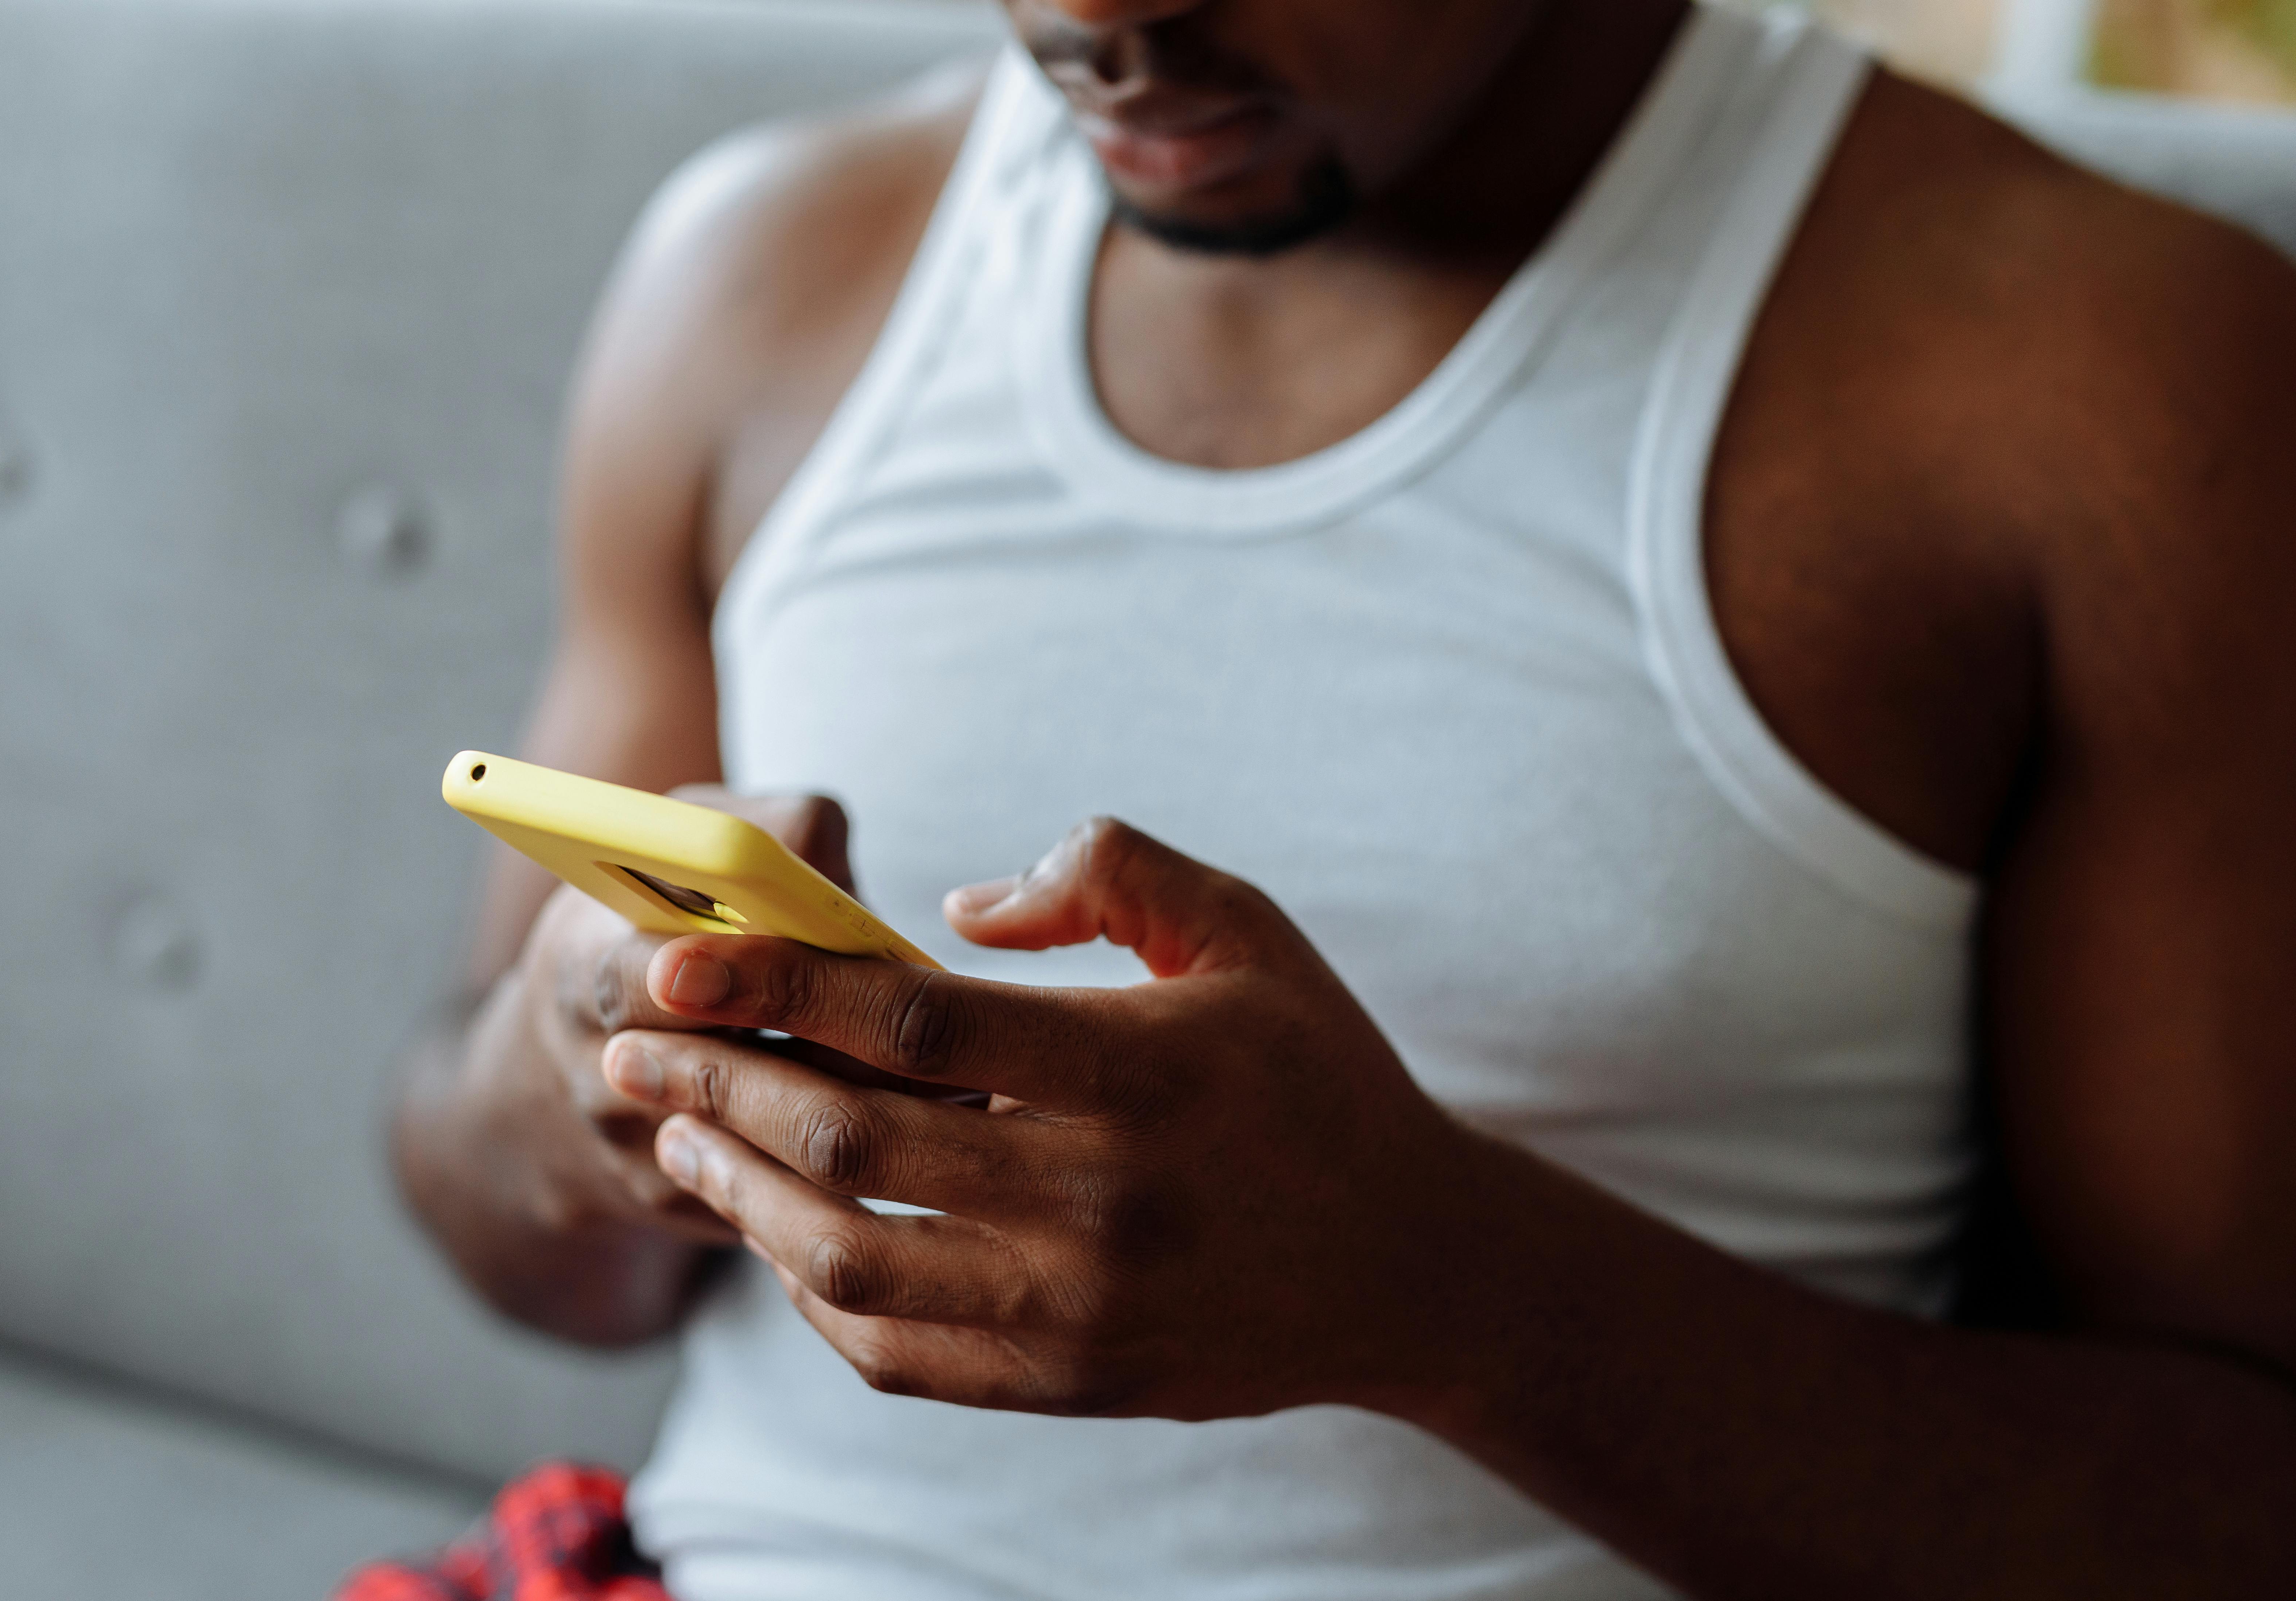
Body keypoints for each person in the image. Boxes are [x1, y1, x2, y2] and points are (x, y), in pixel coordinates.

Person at [391, 0, 2296, 1595]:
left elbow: (2241, 1506)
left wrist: (1453, 1295)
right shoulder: (762, 273)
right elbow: (490, 1218)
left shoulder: (2113, 385)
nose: (1094, 24)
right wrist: (577, 1101)